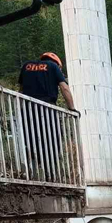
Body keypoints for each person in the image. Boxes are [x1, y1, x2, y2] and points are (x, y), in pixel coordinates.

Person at [18, 52, 77, 181]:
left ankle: (32, 174)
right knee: (52, 141)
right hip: (47, 110)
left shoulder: (26, 66)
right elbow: (64, 88)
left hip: (28, 110)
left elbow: (21, 90)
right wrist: (72, 109)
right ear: (58, 64)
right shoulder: (53, 67)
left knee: (31, 141)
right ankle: (51, 175)